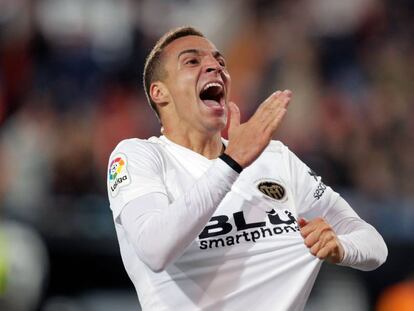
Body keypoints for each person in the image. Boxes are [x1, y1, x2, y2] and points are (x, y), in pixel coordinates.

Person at [107, 26, 387, 311]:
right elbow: (155, 250)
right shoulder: (138, 156)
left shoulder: (275, 159)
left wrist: (341, 247)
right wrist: (232, 162)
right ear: (159, 92)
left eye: (220, 62)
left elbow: (374, 244)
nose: (214, 67)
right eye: (192, 61)